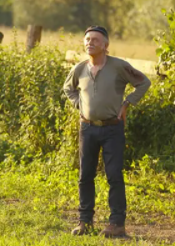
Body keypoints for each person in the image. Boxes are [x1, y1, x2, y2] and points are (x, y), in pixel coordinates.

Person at [63, 26, 151, 238]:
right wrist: (80, 106)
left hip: (112, 128)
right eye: (87, 39)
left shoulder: (118, 67)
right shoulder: (79, 69)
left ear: (105, 45)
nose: (89, 43)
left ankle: (117, 225)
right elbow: (68, 88)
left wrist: (127, 103)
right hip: (88, 128)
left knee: (114, 176)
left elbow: (143, 82)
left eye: (94, 40)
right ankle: (85, 221)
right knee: (85, 176)